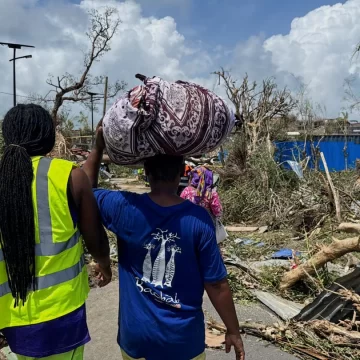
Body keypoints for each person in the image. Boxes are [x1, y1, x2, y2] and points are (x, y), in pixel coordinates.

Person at [82, 125, 245, 360]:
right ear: (182, 172)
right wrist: (233, 330)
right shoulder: (198, 220)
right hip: (183, 341)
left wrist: (97, 146)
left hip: (136, 338)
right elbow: (217, 285)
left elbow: (85, 192)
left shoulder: (124, 207)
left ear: (146, 171)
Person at [0, 104, 112, 360]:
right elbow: (94, 237)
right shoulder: (67, 175)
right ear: (49, 137)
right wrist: (104, 265)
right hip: (61, 313)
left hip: (12, 315)